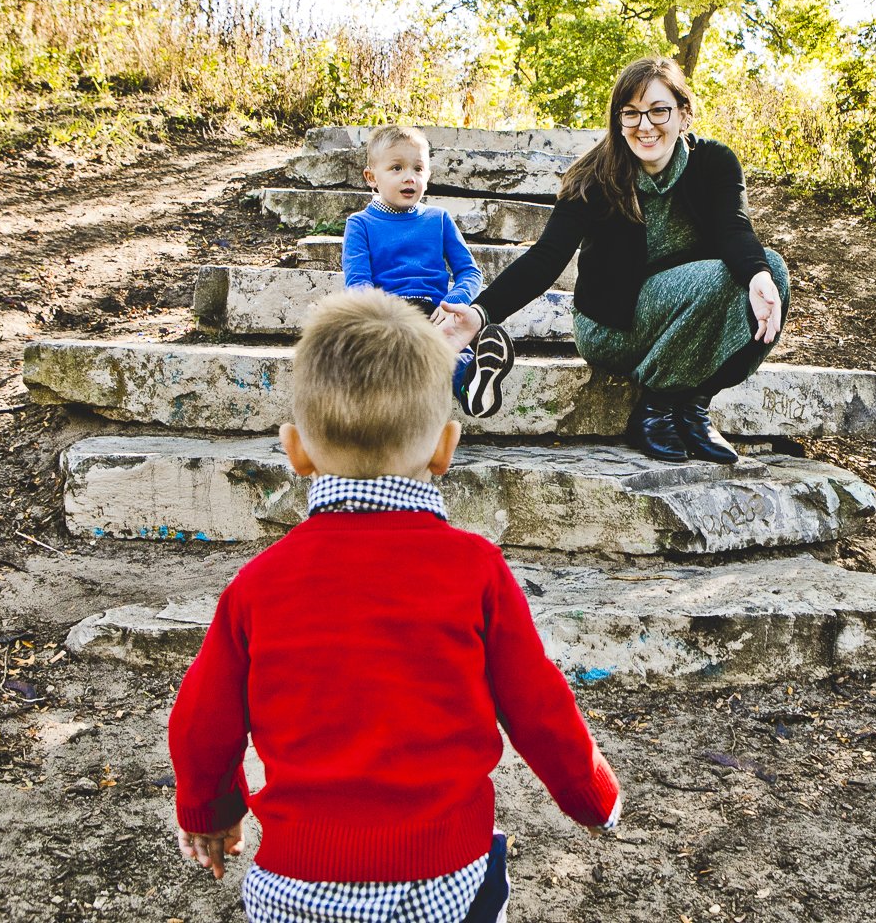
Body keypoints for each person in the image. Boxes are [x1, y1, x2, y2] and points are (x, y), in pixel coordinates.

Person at [167, 288, 622, 923]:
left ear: (295, 450)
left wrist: (211, 816)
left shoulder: (260, 583)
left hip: (296, 878)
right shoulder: (475, 570)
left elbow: (201, 722)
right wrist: (589, 795)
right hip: (443, 874)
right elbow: (537, 703)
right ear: (445, 447)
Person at [439, 57, 790, 463]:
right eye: (631, 113)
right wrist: (481, 314)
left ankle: (693, 405)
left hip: (687, 316)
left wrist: (758, 276)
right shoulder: (595, 176)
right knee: (724, 279)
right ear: (618, 119)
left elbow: (734, 228)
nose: (645, 125)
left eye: (659, 110)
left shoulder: (714, 163)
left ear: (684, 113)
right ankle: (655, 408)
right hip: (612, 327)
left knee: (770, 274)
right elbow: (546, 257)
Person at [344, 124, 514, 418]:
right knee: (422, 347)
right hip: (389, 314)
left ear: (428, 176)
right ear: (372, 178)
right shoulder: (360, 224)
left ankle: (475, 381)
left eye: (418, 169)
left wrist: (455, 302)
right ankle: (464, 376)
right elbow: (358, 282)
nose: (409, 177)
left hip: (436, 312)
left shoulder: (438, 219)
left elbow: (469, 272)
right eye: (396, 168)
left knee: (441, 339)